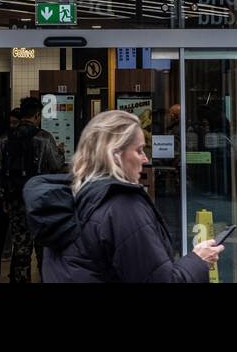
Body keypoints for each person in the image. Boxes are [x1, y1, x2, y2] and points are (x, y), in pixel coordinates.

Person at [25, 109, 222, 282]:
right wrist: (198, 260)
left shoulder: (72, 197)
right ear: (115, 155)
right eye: (139, 150)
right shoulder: (122, 207)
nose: (145, 159)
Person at [0, 96, 65, 282]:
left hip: (16, 200)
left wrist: (4, 199)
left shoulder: (5, 139)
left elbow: (0, 171)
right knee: (43, 247)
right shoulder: (44, 138)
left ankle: (20, 279)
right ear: (37, 115)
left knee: (20, 247)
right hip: (41, 200)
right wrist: (61, 151)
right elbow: (56, 165)